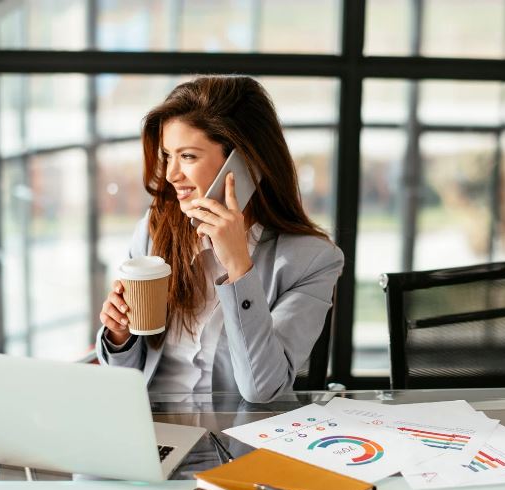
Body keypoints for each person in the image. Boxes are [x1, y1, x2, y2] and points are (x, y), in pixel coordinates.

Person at [95, 76, 343, 404]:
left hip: (237, 442)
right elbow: (125, 378)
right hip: (154, 433)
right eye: (168, 155)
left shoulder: (311, 261)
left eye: (188, 156)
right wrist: (119, 336)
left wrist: (239, 269)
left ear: (244, 163)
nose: (170, 174)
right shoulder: (154, 231)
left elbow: (262, 388)